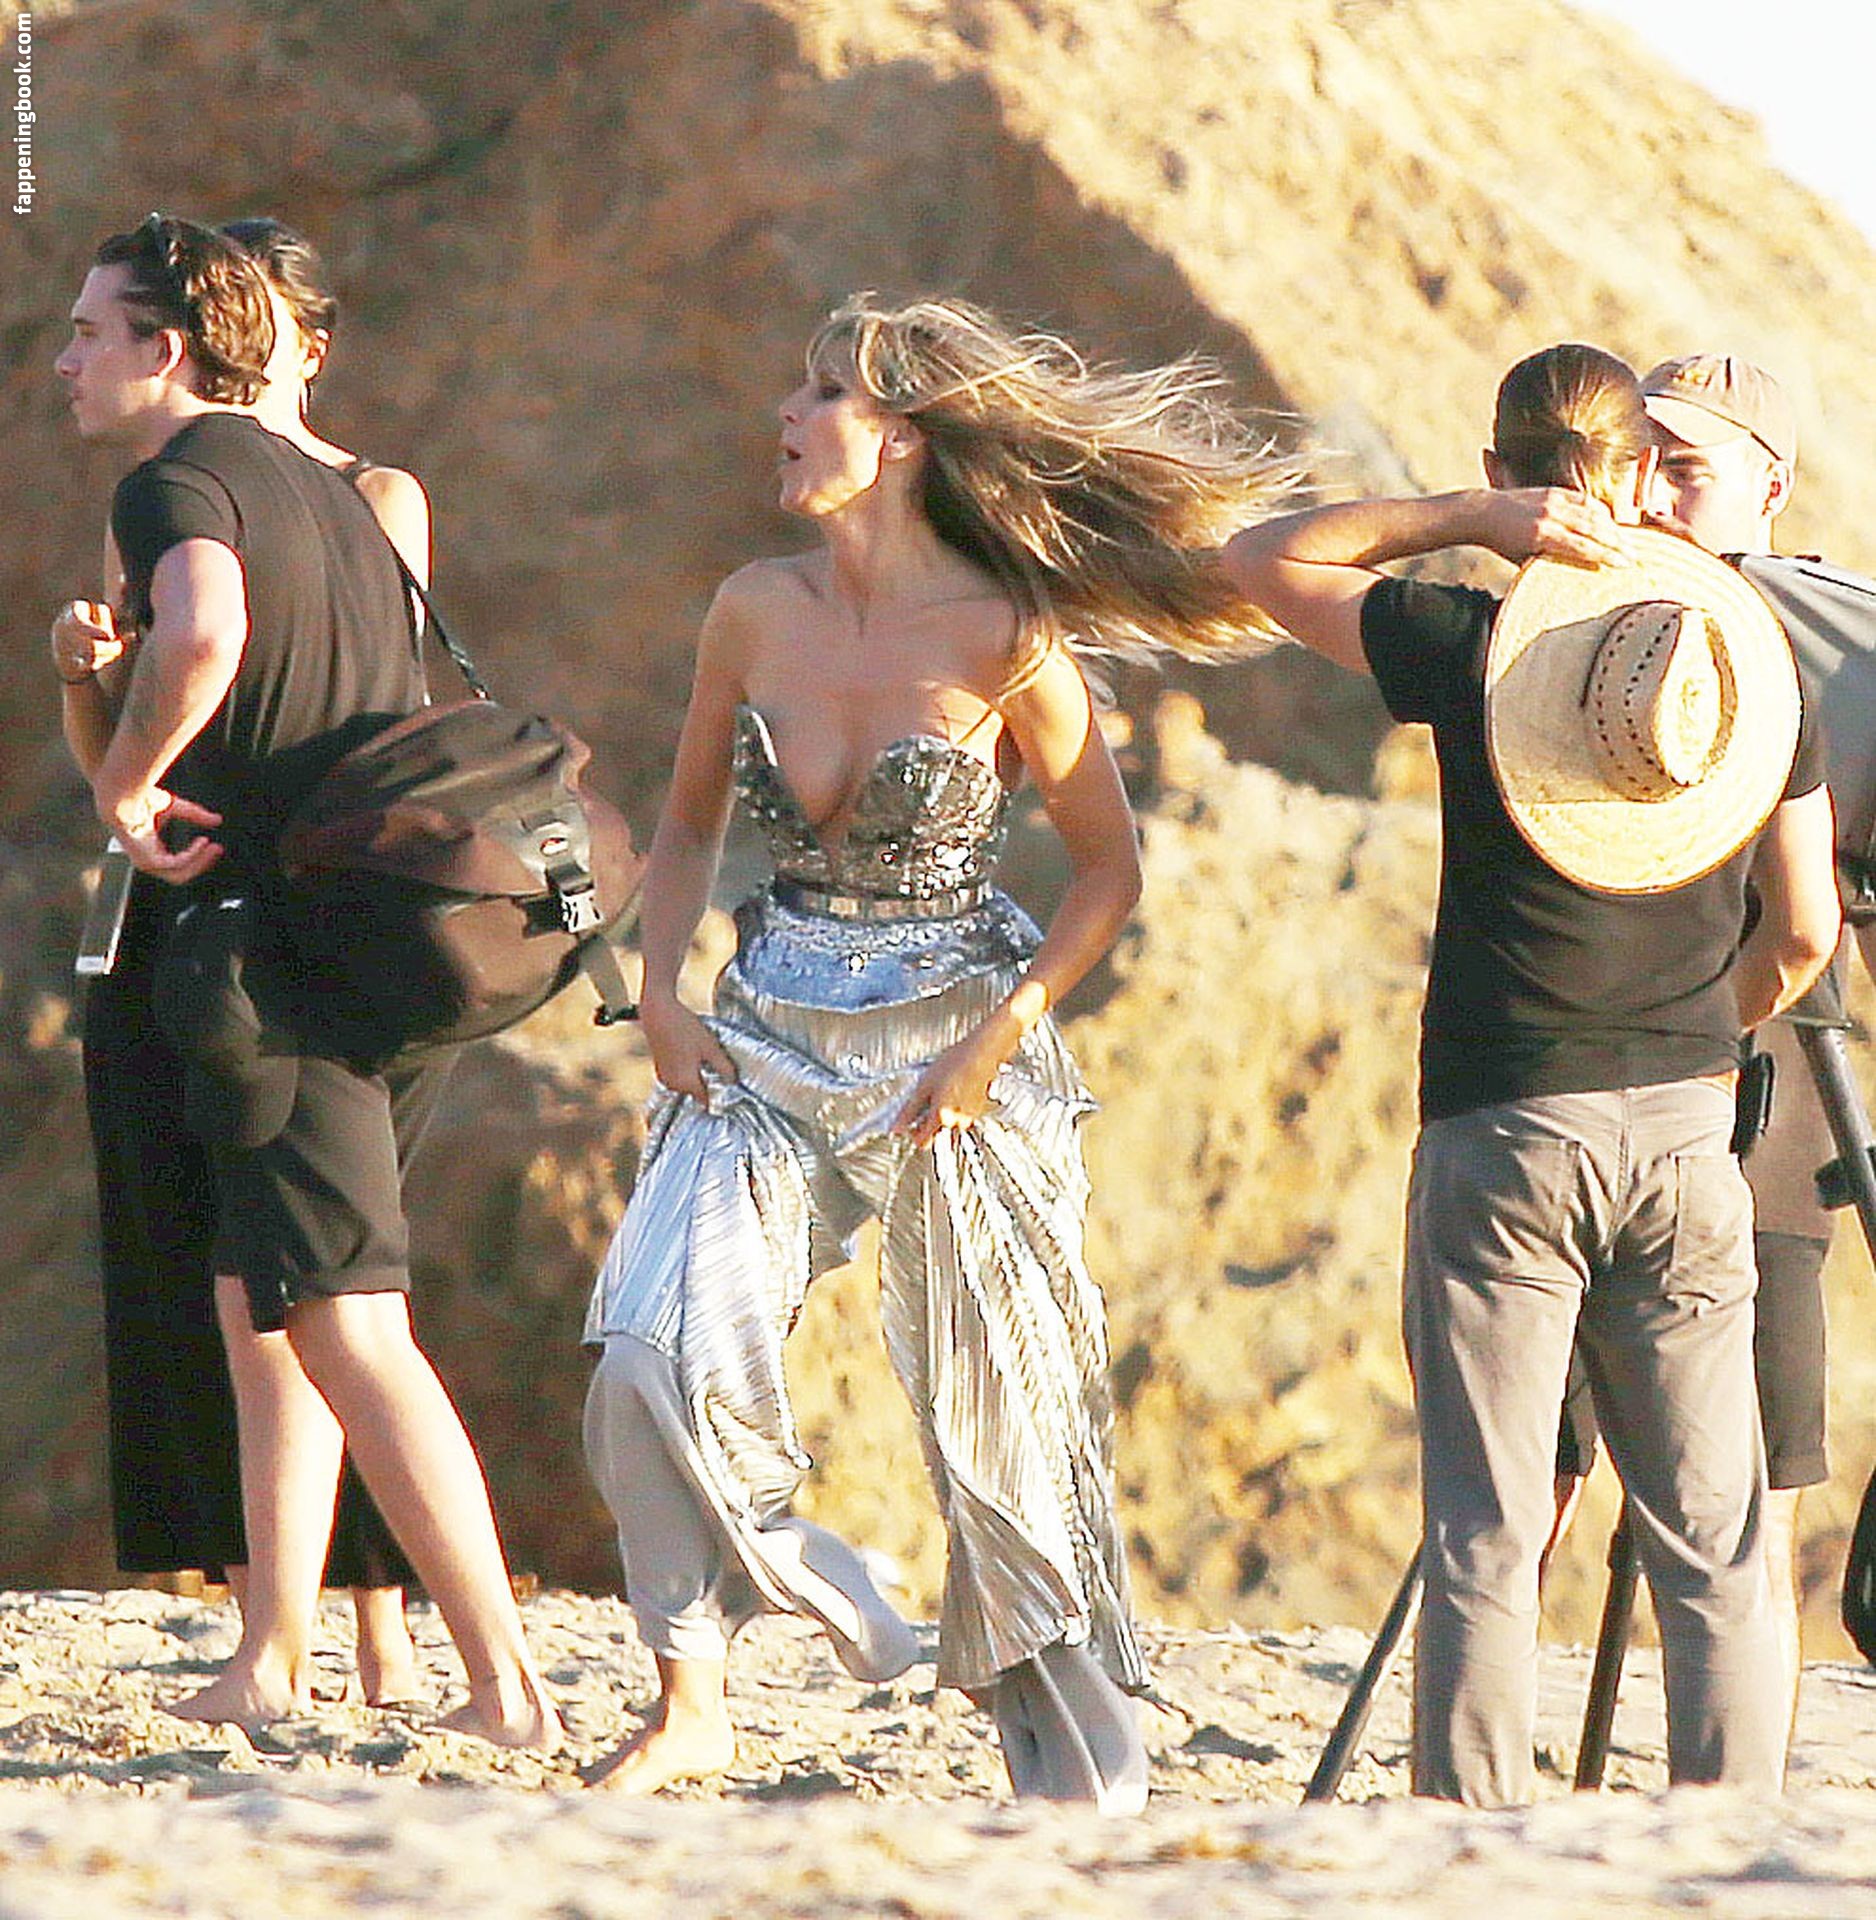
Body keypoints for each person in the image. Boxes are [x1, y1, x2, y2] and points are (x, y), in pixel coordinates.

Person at [580, 293, 1287, 1803]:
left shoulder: (1008, 633)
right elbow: (689, 823)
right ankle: (700, 1689)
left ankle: (1074, 1760)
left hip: (954, 1052)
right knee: (644, 1348)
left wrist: (999, 1039)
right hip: (763, 1032)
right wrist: (660, 993)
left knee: (1002, 1421)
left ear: (899, 437)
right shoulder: (752, 607)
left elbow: (1110, 870)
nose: (787, 412)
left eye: (820, 391)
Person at [1222, 343, 1840, 1806]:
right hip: (1687, 1132)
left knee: (1489, 1528)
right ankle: (1729, 1839)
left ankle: (1475, 1843)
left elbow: (1255, 560)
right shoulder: (1752, 673)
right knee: (1715, 1541)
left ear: (1506, 472)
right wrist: (1702, 1039)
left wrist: (1460, 521)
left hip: (1504, 1120)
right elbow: (1807, 931)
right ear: (1635, 477)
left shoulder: (1467, 644)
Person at [53, 212, 556, 1746]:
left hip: (276, 962)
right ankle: (272, 1656)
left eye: (88, 331)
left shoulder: (177, 478)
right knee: (261, 1300)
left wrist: (125, 785)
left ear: (165, 348)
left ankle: (507, 1687)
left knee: (345, 1320)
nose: (63, 359)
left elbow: (206, 634)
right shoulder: (341, 491)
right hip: (362, 940)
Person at [1549, 352, 1832, 1743]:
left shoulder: (1833, 646)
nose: (1652, 494)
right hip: (1581, 1081)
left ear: (1770, 489)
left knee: (1745, 1502)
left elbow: (1810, 925)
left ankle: (1734, 1813)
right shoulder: (1568, 617)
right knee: (1535, 1468)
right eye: (1637, 461)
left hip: (1766, 1114)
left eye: (1687, 468)